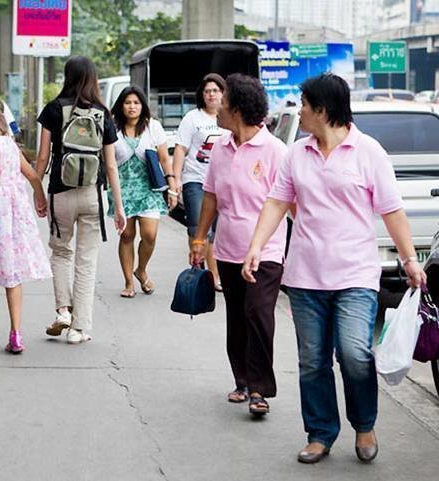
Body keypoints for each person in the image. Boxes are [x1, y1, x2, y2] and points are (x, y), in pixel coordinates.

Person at [242, 73, 426, 464]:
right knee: (313, 360)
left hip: (356, 274)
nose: (300, 111)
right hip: (306, 276)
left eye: (305, 104)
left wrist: (409, 259)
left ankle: (364, 424)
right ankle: (321, 433)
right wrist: (256, 246)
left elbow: (391, 210)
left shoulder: (369, 152)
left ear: (322, 110)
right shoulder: (296, 154)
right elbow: (277, 203)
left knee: (356, 353)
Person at [190, 74, 288, 416]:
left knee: (258, 315)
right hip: (229, 248)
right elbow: (211, 196)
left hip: (267, 251)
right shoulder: (221, 146)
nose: (217, 106)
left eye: (223, 101)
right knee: (237, 316)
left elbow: (290, 204)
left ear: (239, 108)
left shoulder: (276, 151)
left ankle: (260, 389)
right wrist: (200, 239)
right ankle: (242, 379)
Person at [35, 56, 127, 344]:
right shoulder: (103, 113)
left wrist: (38, 193)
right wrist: (119, 207)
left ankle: (63, 310)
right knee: (86, 262)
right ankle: (79, 328)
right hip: (92, 194)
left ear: (67, 76)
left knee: (61, 252)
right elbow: (111, 165)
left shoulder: (53, 109)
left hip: (60, 192)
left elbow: (42, 158)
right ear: (93, 78)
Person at [0, 96, 51, 354]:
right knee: (11, 272)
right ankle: (16, 334)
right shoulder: (10, 144)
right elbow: (31, 174)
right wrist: (39, 195)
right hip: (14, 214)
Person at [109, 86, 178, 298]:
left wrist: (172, 185)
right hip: (123, 189)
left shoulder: (152, 127)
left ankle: (141, 269)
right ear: (121, 106)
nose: (132, 107)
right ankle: (129, 281)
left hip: (149, 188)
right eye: (128, 103)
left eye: (136, 103)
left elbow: (165, 159)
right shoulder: (112, 127)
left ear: (143, 106)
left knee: (149, 235)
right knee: (127, 235)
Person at [173, 73, 227, 291]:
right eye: (207, 91)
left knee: (217, 230)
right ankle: (200, 270)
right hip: (195, 180)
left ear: (223, 93)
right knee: (197, 227)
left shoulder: (228, 117)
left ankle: (213, 274)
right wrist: (175, 179)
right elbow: (180, 148)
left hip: (223, 180)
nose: (211, 95)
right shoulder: (193, 118)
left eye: (215, 90)